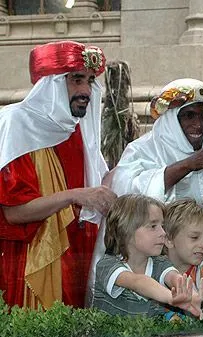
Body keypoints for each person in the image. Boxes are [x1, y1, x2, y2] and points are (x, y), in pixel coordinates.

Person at [0, 40, 116, 309]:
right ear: (51, 84)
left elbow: (95, 189)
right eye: (76, 80)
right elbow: (14, 213)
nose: (86, 90)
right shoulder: (16, 124)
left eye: (89, 81)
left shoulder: (76, 128)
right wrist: (77, 195)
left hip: (76, 257)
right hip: (29, 261)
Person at [111, 78, 203, 259]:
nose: (199, 125)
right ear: (171, 118)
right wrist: (188, 165)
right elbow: (128, 198)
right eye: (189, 116)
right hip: (153, 260)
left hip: (200, 257)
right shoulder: (141, 149)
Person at [92, 194, 203, 319]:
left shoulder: (160, 262)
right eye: (153, 226)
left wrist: (192, 296)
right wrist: (172, 298)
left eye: (162, 226)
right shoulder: (107, 265)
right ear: (125, 230)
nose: (163, 233)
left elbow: (175, 278)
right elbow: (138, 282)